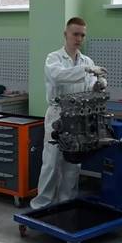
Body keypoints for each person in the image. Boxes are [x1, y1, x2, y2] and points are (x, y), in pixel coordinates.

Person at [30, 17, 108, 210]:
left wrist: (98, 85)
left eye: (82, 35)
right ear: (66, 34)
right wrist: (86, 70)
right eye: (75, 34)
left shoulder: (87, 60)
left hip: (79, 117)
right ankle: (42, 206)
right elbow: (58, 76)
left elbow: (89, 87)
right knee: (51, 162)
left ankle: (67, 203)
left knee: (73, 162)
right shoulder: (54, 58)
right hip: (58, 114)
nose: (79, 38)